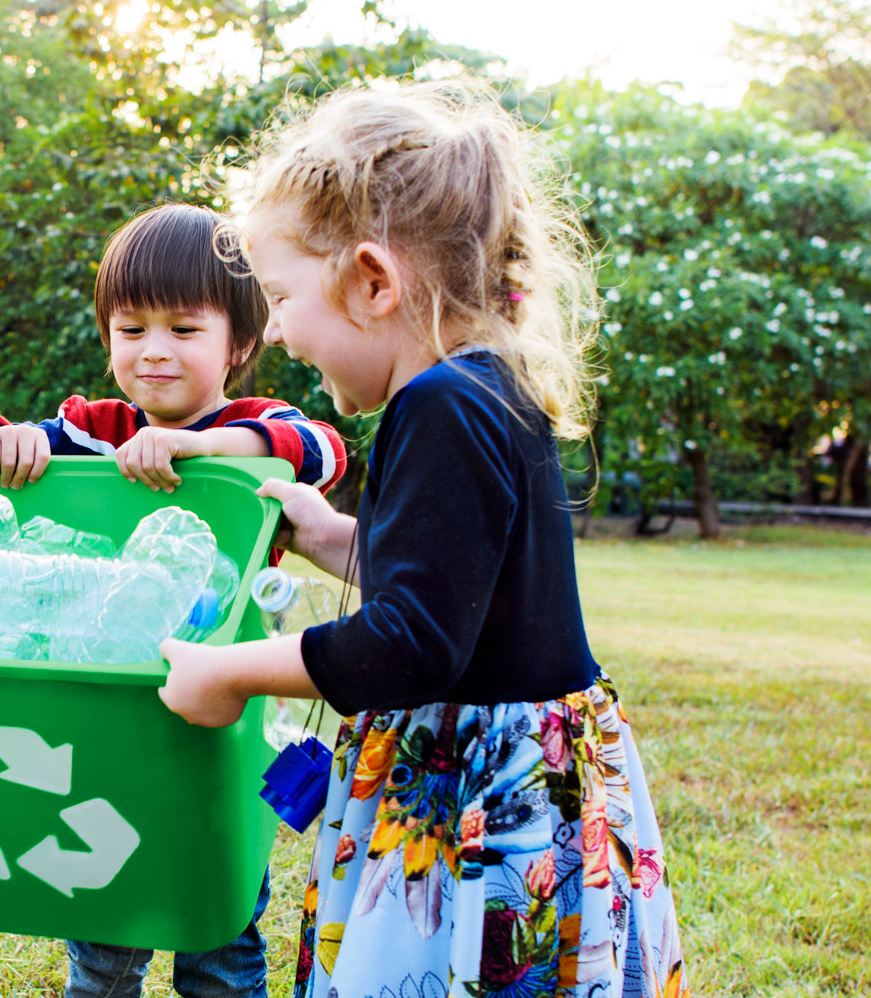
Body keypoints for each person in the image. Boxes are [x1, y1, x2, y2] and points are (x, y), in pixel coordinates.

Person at [157, 84, 686, 998]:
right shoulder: (488, 384)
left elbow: (414, 641)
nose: (275, 330)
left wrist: (231, 671)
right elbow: (458, 596)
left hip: (478, 796)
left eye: (281, 297)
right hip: (531, 765)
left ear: (372, 281)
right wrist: (334, 539)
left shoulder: (437, 404)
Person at [0, 203, 347, 998]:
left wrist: (196, 444)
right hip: (104, 722)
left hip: (222, 729)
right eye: (130, 330)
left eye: (183, 329)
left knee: (222, 932)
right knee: (104, 920)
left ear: (239, 343)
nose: (154, 351)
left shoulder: (250, 426)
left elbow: (316, 450)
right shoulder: (93, 429)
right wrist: (8, 440)